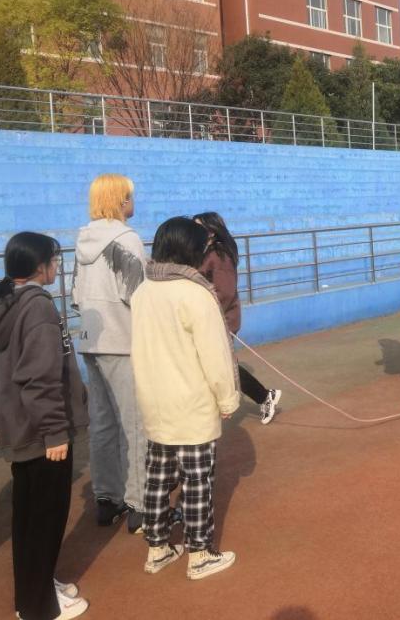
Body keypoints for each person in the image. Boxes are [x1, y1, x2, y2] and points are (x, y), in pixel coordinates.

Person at [0, 233, 89, 620]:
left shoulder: (7, 302)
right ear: (40, 266)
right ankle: (39, 606)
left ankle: (34, 591)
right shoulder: (37, 306)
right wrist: (55, 431)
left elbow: (3, 373)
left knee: (28, 517)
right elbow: (40, 377)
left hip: (23, 426)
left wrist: (0, 417)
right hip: (42, 432)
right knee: (44, 518)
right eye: (53, 261)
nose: (57, 267)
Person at [131, 217, 240, 581]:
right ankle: (199, 554)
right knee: (197, 482)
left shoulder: (142, 291)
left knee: (158, 481)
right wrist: (227, 399)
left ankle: (158, 548)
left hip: (155, 403)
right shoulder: (196, 294)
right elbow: (215, 355)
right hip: (191, 404)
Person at [71, 174, 147, 532]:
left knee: (102, 423)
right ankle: (139, 502)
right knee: (135, 423)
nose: (133, 202)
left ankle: (107, 498)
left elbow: (76, 295)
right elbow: (138, 295)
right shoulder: (126, 239)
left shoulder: (82, 240)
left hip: (91, 340)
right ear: (120, 200)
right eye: (129, 196)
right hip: (122, 342)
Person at [193, 212, 281, 425]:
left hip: (221, 319)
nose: (194, 231)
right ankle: (264, 396)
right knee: (221, 366)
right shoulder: (204, 252)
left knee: (223, 367)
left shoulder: (219, 255)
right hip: (211, 318)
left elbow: (224, 292)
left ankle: (264, 396)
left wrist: (206, 315)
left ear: (212, 232)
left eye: (198, 227)